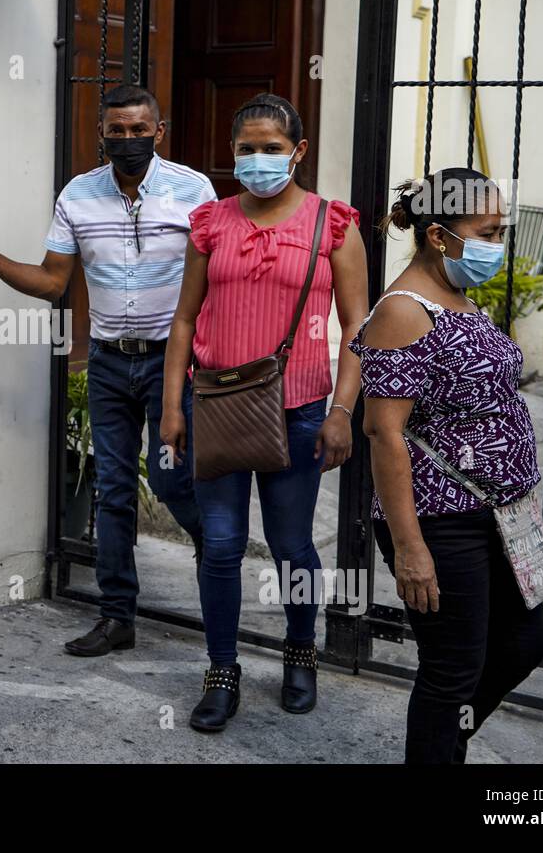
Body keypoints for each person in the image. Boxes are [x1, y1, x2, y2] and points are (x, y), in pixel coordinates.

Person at [0, 84, 214, 657]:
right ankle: (118, 617)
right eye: (118, 131)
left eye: (140, 130)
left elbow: (214, 275)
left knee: (172, 479)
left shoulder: (194, 190)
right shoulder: (79, 195)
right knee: (112, 490)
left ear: (158, 132)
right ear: (102, 134)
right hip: (112, 361)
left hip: (173, 360)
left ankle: (219, 565)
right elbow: (53, 281)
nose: (130, 140)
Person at [161, 93, 368, 730]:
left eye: (272, 149)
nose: (258, 160)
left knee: (291, 545)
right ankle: (222, 669)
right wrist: (173, 406)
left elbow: (359, 324)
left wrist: (341, 412)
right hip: (217, 406)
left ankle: (300, 651)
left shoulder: (332, 223)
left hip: (301, 410)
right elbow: (185, 317)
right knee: (220, 547)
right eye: (246, 149)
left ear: (298, 152)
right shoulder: (210, 222)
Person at [348, 167, 543, 764]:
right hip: (440, 520)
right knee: (452, 670)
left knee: (522, 642)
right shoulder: (403, 311)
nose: (496, 243)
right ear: (439, 235)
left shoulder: (458, 297)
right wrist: (410, 548)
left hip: (495, 514)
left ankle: (442, 741)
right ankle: (439, 745)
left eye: (499, 230)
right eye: (486, 232)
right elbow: (382, 432)